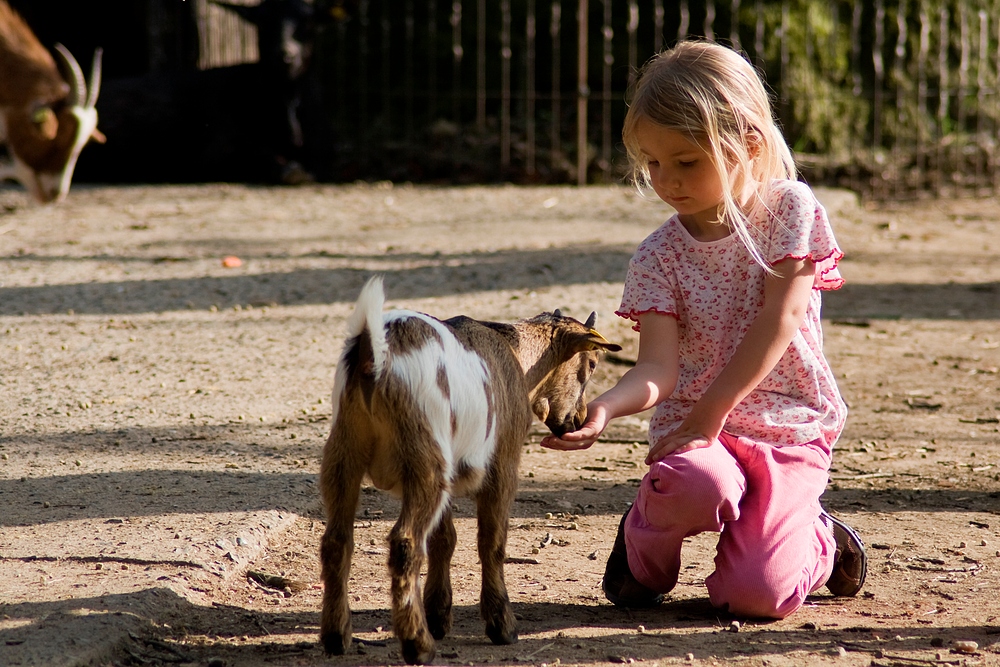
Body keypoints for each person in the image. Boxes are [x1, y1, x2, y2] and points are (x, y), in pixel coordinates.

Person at [540, 40, 866, 619]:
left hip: (785, 431)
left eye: (686, 161)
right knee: (694, 487)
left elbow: (781, 318)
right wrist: (606, 410)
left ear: (748, 143)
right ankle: (643, 544)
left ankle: (818, 539)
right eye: (653, 163)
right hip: (697, 437)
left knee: (757, 597)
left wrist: (707, 414)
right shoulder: (658, 254)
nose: (667, 180)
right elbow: (657, 368)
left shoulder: (790, 209)